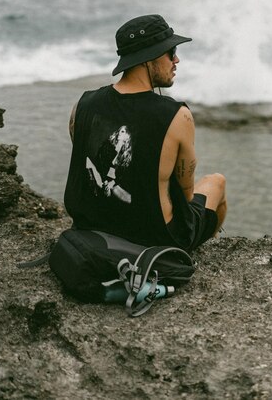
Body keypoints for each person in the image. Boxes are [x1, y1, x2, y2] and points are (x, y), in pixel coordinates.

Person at [64, 14, 227, 252]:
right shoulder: (176, 115)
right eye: (171, 52)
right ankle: (194, 253)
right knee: (216, 182)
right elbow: (187, 194)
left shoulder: (83, 104)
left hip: (91, 227)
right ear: (148, 59)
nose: (177, 60)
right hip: (153, 237)